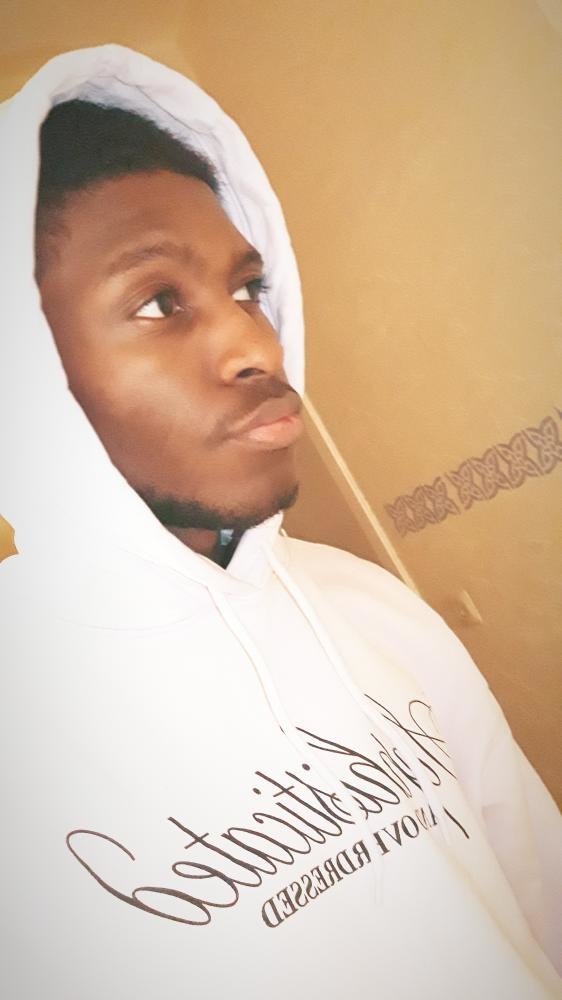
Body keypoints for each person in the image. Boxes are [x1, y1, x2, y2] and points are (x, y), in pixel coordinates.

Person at [0, 44, 560, 1000]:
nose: (254, 342)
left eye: (248, 289)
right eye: (160, 302)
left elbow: (536, 882)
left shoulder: (370, 604)